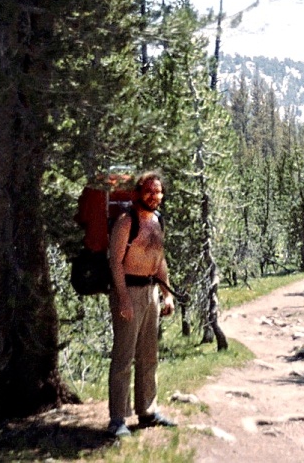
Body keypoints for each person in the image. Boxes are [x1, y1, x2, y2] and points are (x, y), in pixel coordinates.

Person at [107, 171, 177, 438]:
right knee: (124, 356)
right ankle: (117, 418)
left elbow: (159, 260)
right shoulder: (127, 221)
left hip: (150, 293)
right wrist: (123, 298)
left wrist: (166, 293)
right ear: (138, 192)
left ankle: (147, 411)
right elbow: (115, 262)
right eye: (150, 191)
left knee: (149, 356)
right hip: (129, 292)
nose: (155, 196)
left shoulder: (157, 221)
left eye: (158, 191)